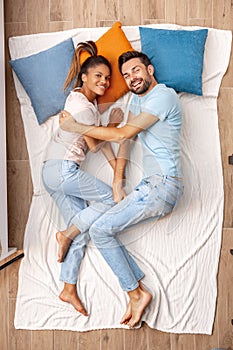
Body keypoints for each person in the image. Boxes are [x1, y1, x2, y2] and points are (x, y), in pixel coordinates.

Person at [60, 50, 184, 328]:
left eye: (136, 71)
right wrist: (118, 182)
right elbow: (126, 143)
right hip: (148, 186)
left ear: (150, 70)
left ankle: (136, 293)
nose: (132, 78)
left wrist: (75, 126)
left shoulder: (164, 96)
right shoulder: (137, 105)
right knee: (101, 228)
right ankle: (136, 292)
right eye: (126, 75)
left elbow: (122, 134)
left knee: (100, 230)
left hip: (164, 185)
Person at [42, 41, 145, 317]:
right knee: (113, 201)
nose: (105, 81)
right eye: (98, 76)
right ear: (84, 77)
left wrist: (116, 172)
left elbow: (97, 140)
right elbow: (96, 145)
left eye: (108, 78)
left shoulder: (80, 100)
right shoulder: (84, 108)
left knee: (83, 227)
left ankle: (68, 287)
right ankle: (65, 234)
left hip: (50, 172)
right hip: (64, 170)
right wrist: (112, 126)